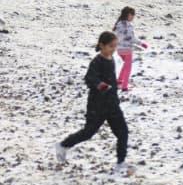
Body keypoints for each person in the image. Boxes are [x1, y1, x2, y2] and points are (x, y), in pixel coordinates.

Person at [55, 31, 131, 175]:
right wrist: (101, 85)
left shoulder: (112, 59)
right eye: (110, 46)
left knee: (123, 132)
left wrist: (116, 86)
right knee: (88, 132)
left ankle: (121, 162)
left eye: (115, 46)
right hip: (97, 105)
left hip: (112, 104)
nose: (113, 49)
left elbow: (111, 78)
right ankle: (62, 145)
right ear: (101, 45)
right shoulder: (97, 61)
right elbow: (89, 78)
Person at [112, 6, 148, 95]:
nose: (133, 17)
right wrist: (141, 43)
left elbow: (116, 37)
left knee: (126, 64)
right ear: (128, 14)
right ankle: (124, 86)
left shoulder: (118, 24)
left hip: (119, 49)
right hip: (127, 49)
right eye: (132, 14)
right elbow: (132, 38)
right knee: (128, 67)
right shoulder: (128, 25)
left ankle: (119, 81)